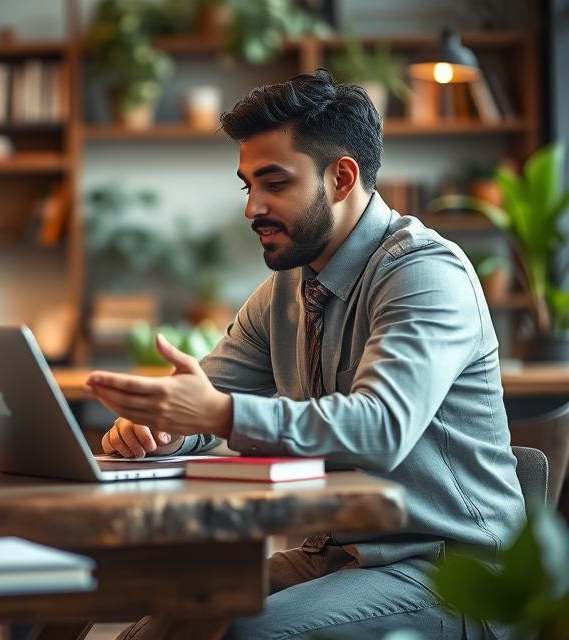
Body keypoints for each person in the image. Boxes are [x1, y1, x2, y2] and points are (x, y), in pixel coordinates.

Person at [85, 69, 524, 639]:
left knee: (243, 633)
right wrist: (162, 427)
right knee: (163, 627)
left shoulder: (424, 273)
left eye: (274, 182)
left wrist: (214, 415)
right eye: (248, 185)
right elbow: (211, 394)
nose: (252, 207)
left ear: (341, 178)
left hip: (453, 574)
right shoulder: (286, 292)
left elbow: (382, 426)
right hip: (336, 558)